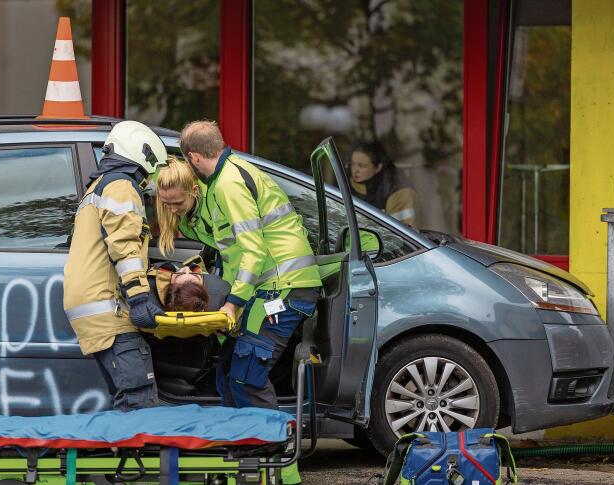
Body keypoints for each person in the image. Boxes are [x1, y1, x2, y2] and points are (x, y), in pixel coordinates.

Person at [168, 121, 322, 485]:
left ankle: (277, 465)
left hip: (283, 290)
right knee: (226, 373)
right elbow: (226, 241)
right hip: (267, 290)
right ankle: (241, 457)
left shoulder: (230, 183)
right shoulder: (221, 180)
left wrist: (232, 304)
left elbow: (252, 250)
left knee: (247, 376)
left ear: (192, 157)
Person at [63, 120, 167, 412]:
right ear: (140, 156)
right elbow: (125, 246)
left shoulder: (97, 187)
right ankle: (136, 454)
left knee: (125, 398)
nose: (147, 181)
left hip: (92, 307)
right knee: (138, 401)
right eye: (147, 173)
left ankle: (123, 454)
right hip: (111, 308)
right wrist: (140, 297)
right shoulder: (121, 185)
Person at [349, 141, 421, 228]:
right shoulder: (344, 185)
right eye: (352, 164)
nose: (355, 170)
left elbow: (403, 235)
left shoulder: (400, 193)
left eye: (362, 166)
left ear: (378, 167)